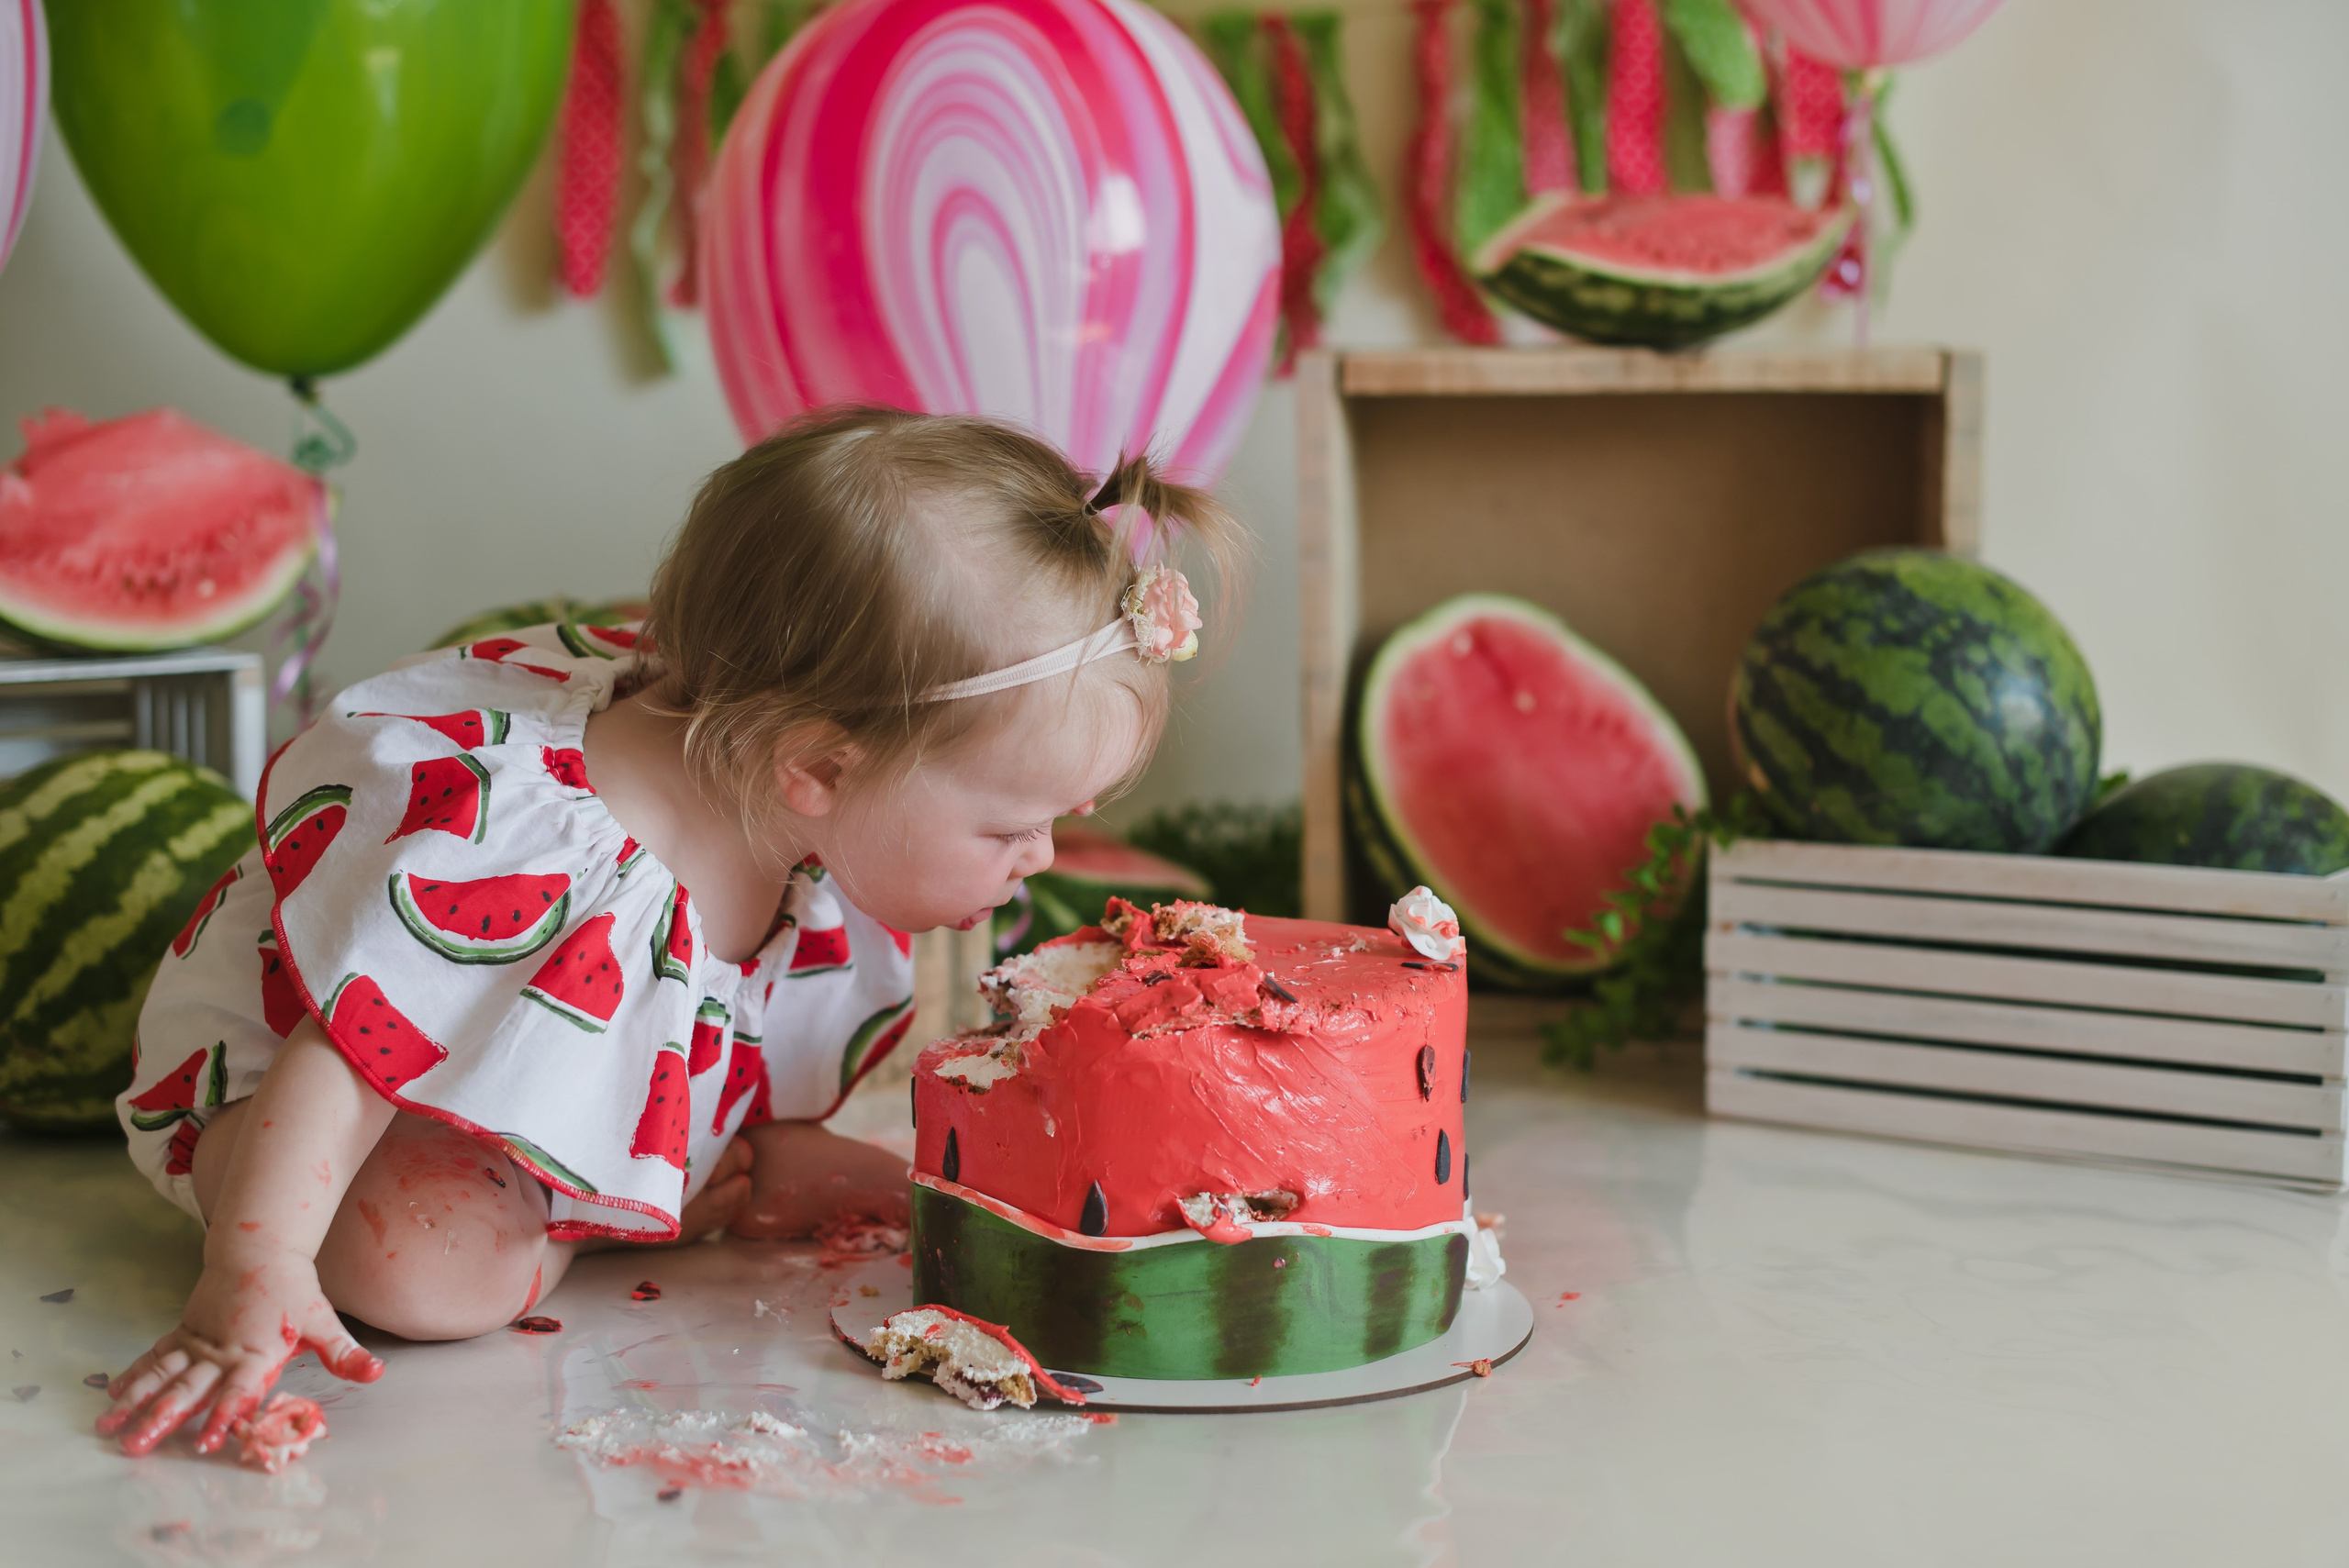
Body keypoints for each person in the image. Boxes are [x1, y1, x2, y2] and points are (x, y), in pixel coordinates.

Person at [97, 406, 1242, 1458]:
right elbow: (349, 1053)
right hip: (308, 1113)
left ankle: (654, 1186)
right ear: (819, 769)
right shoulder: (546, 846)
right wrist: (259, 1263)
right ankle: (597, 1224)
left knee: (845, 1172)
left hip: (464, 1098)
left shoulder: (787, 804)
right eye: (1012, 823)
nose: (1037, 858)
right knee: (440, 1271)